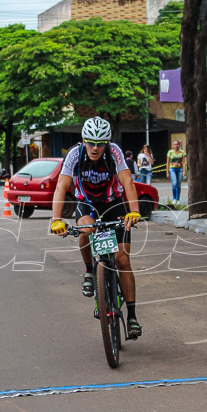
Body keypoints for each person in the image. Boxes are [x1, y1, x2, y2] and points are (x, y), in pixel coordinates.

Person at [50, 116, 144, 339]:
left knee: (122, 260)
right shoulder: (75, 154)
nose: (94, 148)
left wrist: (135, 211)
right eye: (90, 142)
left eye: (100, 143)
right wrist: (56, 219)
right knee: (84, 231)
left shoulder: (114, 153)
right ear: (83, 139)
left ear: (107, 142)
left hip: (114, 204)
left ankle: (131, 316)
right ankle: (89, 271)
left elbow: (128, 182)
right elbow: (61, 186)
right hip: (87, 204)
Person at [166, 140, 187, 205]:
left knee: (178, 184)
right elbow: (167, 163)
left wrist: (184, 171)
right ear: (173, 145)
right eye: (175, 144)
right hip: (172, 169)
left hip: (180, 169)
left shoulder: (182, 152)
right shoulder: (170, 152)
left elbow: (184, 162)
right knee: (174, 183)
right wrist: (167, 172)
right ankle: (174, 198)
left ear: (179, 145)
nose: (176, 146)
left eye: (177, 144)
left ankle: (178, 199)